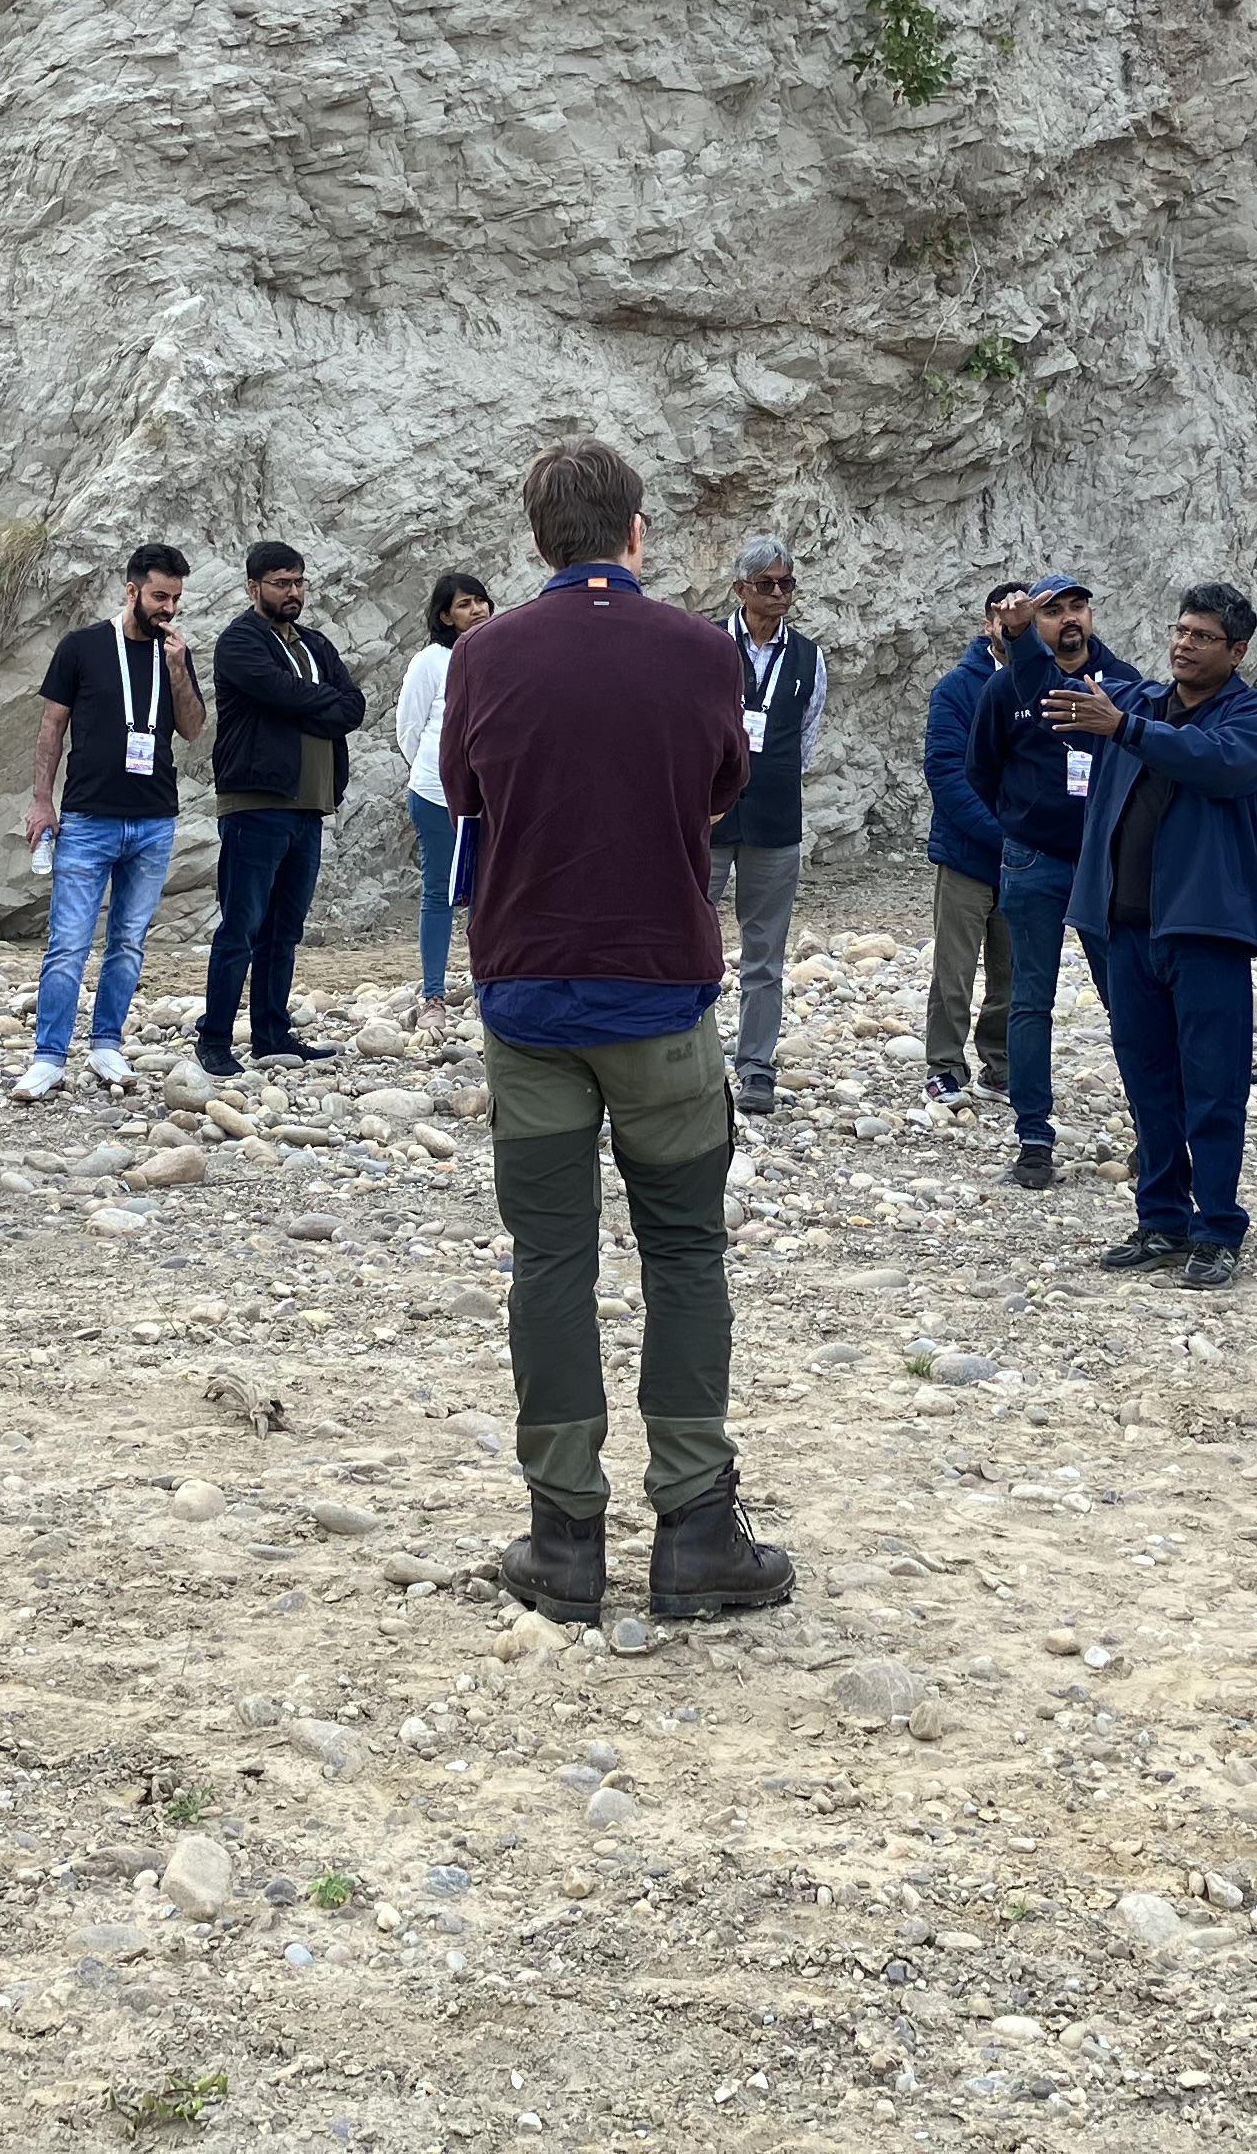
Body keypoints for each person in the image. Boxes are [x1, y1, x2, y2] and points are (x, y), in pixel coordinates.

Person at [438, 438, 790, 1626]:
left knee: (551, 1259)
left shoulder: (482, 655)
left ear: (539, 539)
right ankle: (694, 1526)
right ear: (638, 531)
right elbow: (723, 783)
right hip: (660, 991)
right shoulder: (700, 650)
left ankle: (564, 1534)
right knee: (684, 1251)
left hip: (529, 993)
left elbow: (465, 793)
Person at [1063, 585, 1257, 1283]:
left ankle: (1216, 1228)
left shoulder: (1255, 715)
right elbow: (1066, 667)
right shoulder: (1143, 704)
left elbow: (1214, 762)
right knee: (1148, 1081)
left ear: (1238, 651)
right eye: (1180, 630)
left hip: (1205, 932)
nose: (1184, 644)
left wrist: (1124, 729)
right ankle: (1160, 1220)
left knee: (1214, 1086)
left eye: (1203, 636)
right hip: (1127, 930)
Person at [964, 575, 1147, 1185]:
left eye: (1078, 607)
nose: (1069, 619)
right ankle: (1034, 1139)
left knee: (1128, 998)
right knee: (1030, 998)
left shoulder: (1122, 683)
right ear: (1033, 624)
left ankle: (1154, 1133)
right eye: (1054, 611)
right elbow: (981, 769)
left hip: (1105, 865)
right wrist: (1022, 821)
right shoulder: (1004, 687)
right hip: (1034, 859)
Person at [17, 545, 206, 1096]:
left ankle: (106, 1045)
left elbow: (193, 729)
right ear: (131, 591)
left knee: (128, 941)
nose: (168, 608)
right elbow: (51, 728)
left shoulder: (175, 652)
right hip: (88, 815)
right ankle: (49, 1055)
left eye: (175, 598)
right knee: (69, 941)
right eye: (159, 596)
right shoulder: (82, 646)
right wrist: (41, 801)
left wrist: (176, 668)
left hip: (153, 819)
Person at [200, 541, 366, 1076]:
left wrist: (307, 704)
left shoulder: (314, 643)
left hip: (310, 805)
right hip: (256, 803)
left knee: (284, 929)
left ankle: (271, 1034)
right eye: (280, 582)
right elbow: (281, 694)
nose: (292, 592)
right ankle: (215, 1039)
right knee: (241, 925)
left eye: (298, 582)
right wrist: (316, 705)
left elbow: (353, 706)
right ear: (253, 587)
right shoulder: (240, 641)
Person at [707, 535, 825, 1117]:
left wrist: (772, 777)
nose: (778, 594)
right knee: (691, 936)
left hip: (776, 818)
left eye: (787, 584)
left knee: (765, 952)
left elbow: (806, 736)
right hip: (706, 816)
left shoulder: (808, 656)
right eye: (767, 585)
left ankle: (755, 1065)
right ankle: (696, 1055)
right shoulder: (706, 647)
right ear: (740, 590)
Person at [919, 582, 1030, 1105]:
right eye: (1005, 616)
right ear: (989, 622)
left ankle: (999, 1065)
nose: (1014, 624)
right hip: (968, 855)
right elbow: (945, 772)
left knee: (1012, 972)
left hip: (1025, 858)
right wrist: (1002, 833)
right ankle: (944, 1066)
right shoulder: (957, 688)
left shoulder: (1048, 683)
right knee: (954, 972)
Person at [393, 572, 494, 1011]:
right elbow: (410, 729)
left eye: (480, 601)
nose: (477, 610)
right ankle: (433, 991)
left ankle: (485, 982)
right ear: (445, 616)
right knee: (439, 890)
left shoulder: (499, 653)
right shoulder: (430, 661)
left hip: (490, 792)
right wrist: (437, 770)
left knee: (488, 889)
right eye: (465, 604)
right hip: (437, 793)